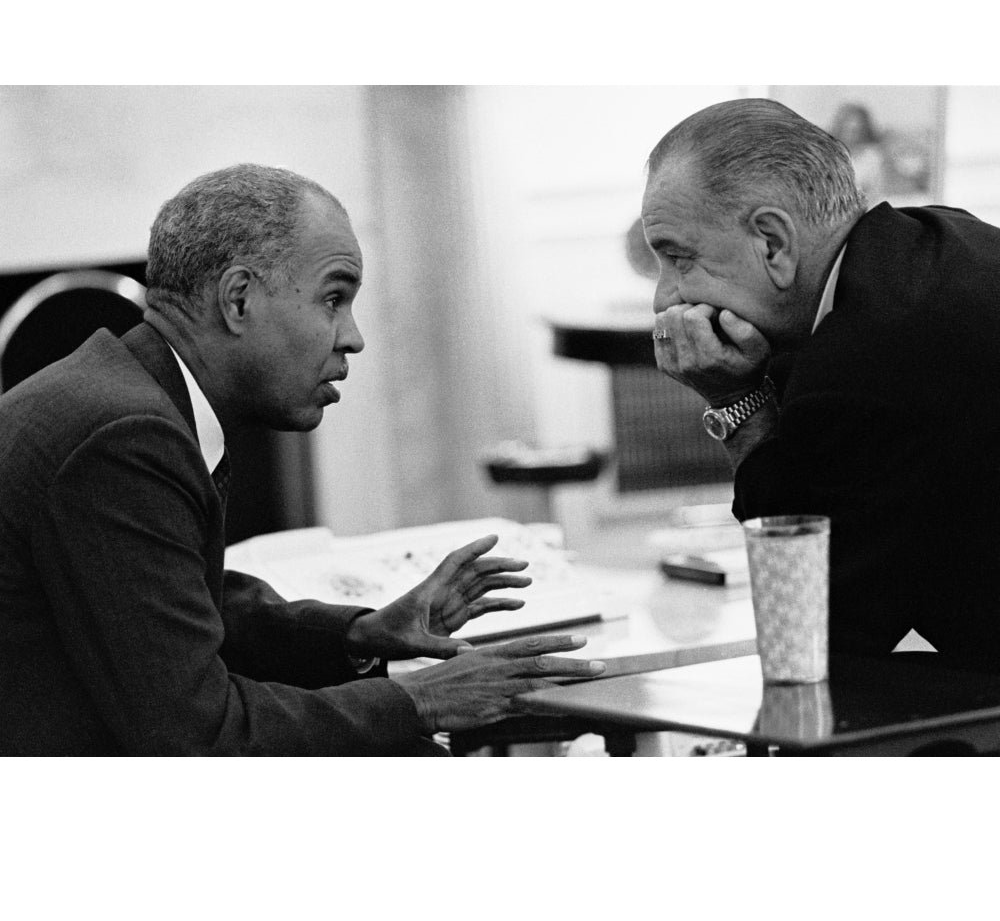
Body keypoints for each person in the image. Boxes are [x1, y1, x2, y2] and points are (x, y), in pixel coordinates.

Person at [0, 163, 605, 756]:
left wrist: (359, 634)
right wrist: (420, 699)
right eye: (333, 299)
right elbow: (201, 736)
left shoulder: (130, 394)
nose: (353, 337)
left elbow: (179, 605)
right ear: (238, 300)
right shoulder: (123, 437)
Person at [641, 97, 1000, 670]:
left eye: (679, 258)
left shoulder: (868, 358)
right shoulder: (935, 236)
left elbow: (812, 630)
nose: (665, 297)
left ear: (773, 244)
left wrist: (736, 401)